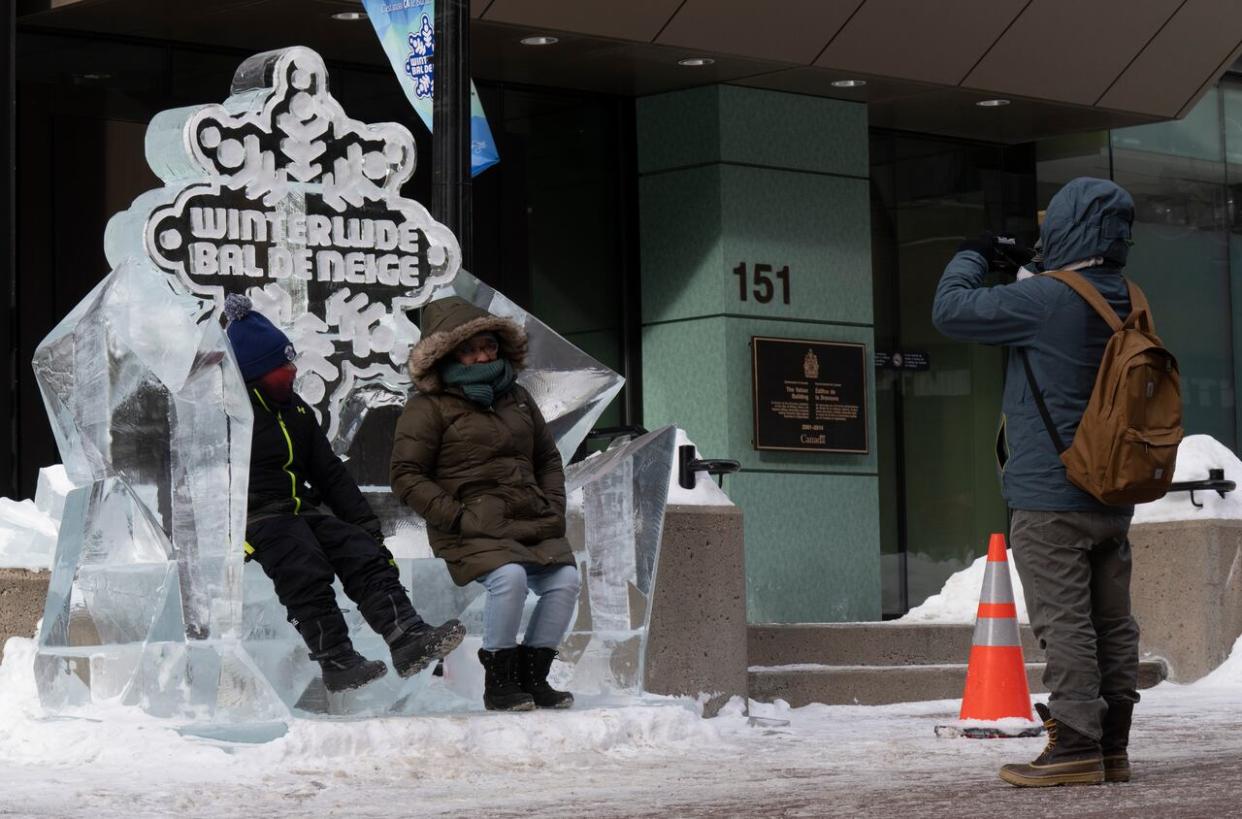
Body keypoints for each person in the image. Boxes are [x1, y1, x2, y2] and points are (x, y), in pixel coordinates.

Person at [932, 177, 1141, 787]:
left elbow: (950, 310)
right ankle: (1113, 747)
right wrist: (1039, 266)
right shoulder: (1128, 296)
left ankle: (1075, 745)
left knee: (1065, 622)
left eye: (1053, 225)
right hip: (1112, 487)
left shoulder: (1046, 300)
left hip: (1051, 495)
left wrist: (976, 253)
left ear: (1071, 229)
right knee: (1111, 620)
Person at [223, 293, 465, 694]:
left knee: (359, 549)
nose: (291, 369)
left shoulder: (296, 410)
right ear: (255, 371)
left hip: (301, 508)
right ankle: (337, 659)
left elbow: (328, 471)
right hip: (257, 517)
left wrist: (365, 525)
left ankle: (407, 638)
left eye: (291, 361)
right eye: (282, 365)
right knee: (302, 563)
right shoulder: (231, 413)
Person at [390, 296, 580, 712]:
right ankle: (500, 681)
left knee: (565, 582)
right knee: (509, 577)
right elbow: (406, 475)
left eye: (490, 346)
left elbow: (547, 458)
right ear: (446, 354)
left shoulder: (519, 397)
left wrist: (554, 505)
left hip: (531, 518)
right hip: (470, 527)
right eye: (471, 349)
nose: (483, 355)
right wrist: (457, 516)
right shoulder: (427, 406)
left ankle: (534, 677)